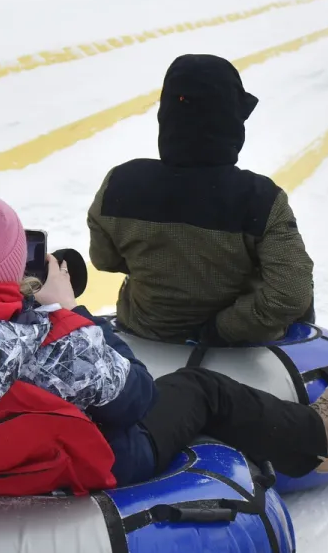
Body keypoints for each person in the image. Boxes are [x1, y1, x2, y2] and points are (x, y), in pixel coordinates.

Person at [0, 176, 328, 496]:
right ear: (11, 270)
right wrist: (70, 311)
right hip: (96, 464)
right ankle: (313, 438)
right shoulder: (56, 341)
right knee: (200, 390)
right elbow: (135, 396)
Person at [89, 55, 315, 345]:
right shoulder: (261, 199)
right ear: (232, 122)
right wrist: (220, 330)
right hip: (237, 347)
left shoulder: (119, 184)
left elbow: (104, 260)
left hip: (144, 335)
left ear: (167, 116)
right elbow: (291, 293)